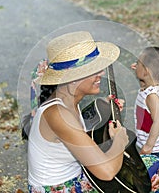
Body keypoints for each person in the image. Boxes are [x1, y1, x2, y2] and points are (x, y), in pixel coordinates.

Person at [26, 31, 129, 192]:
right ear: (73, 78)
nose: (101, 73)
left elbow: (75, 135)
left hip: (73, 179)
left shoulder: (66, 100)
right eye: (94, 70)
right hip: (59, 188)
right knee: (152, 168)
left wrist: (102, 108)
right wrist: (120, 141)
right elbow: (107, 172)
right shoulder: (58, 114)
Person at [131, 46, 159, 193]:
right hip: (155, 143)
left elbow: (158, 121)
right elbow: (144, 83)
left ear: (146, 71)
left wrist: (149, 146)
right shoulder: (150, 84)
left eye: (138, 63)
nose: (135, 64)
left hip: (158, 147)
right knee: (158, 174)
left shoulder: (152, 97)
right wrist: (138, 71)